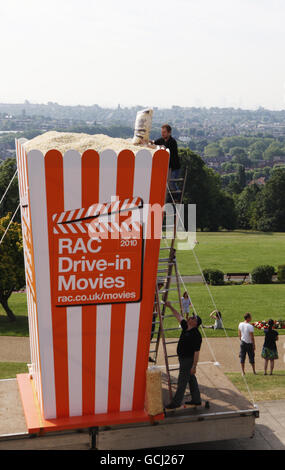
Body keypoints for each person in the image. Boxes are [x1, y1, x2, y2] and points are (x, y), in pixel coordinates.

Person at [164, 301, 202, 408]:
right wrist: (170, 306)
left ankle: (176, 403)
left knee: (182, 381)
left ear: (195, 323)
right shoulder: (186, 326)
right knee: (191, 378)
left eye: (193, 318)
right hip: (183, 358)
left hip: (188, 360)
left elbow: (196, 352)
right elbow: (178, 316)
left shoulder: (196, 335)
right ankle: (196, 399)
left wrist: (194, 366)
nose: (190, 317)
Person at [151, 124, 181, 192]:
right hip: (167, 167)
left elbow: (164, 149)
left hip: (174, 167)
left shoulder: (172, 142)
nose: (162, 134)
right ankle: (172, 198)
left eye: (164, 132)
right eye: (162, 132)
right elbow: (154, 143)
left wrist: (158, 147)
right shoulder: (162, 140)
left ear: (169, 133)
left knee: (171, 184)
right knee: (167, 184)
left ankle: (176, 198)